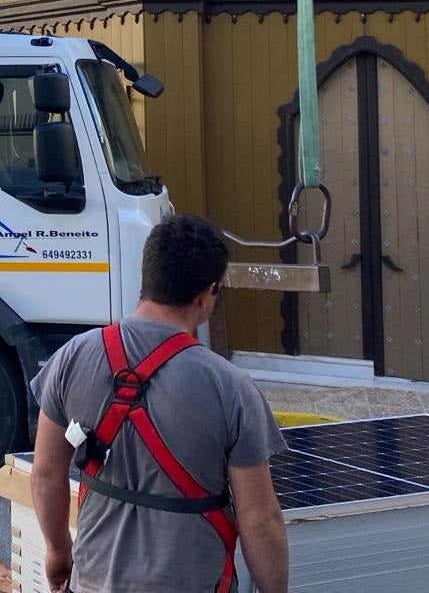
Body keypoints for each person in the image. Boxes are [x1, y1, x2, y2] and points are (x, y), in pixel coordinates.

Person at [29, 214, 289, 593]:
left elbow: (46, 473)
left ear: (147, 274)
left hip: (92, 583)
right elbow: (259, 520)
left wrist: (57, 552)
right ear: (207, 294)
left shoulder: (71, 358)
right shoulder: (231, 388)